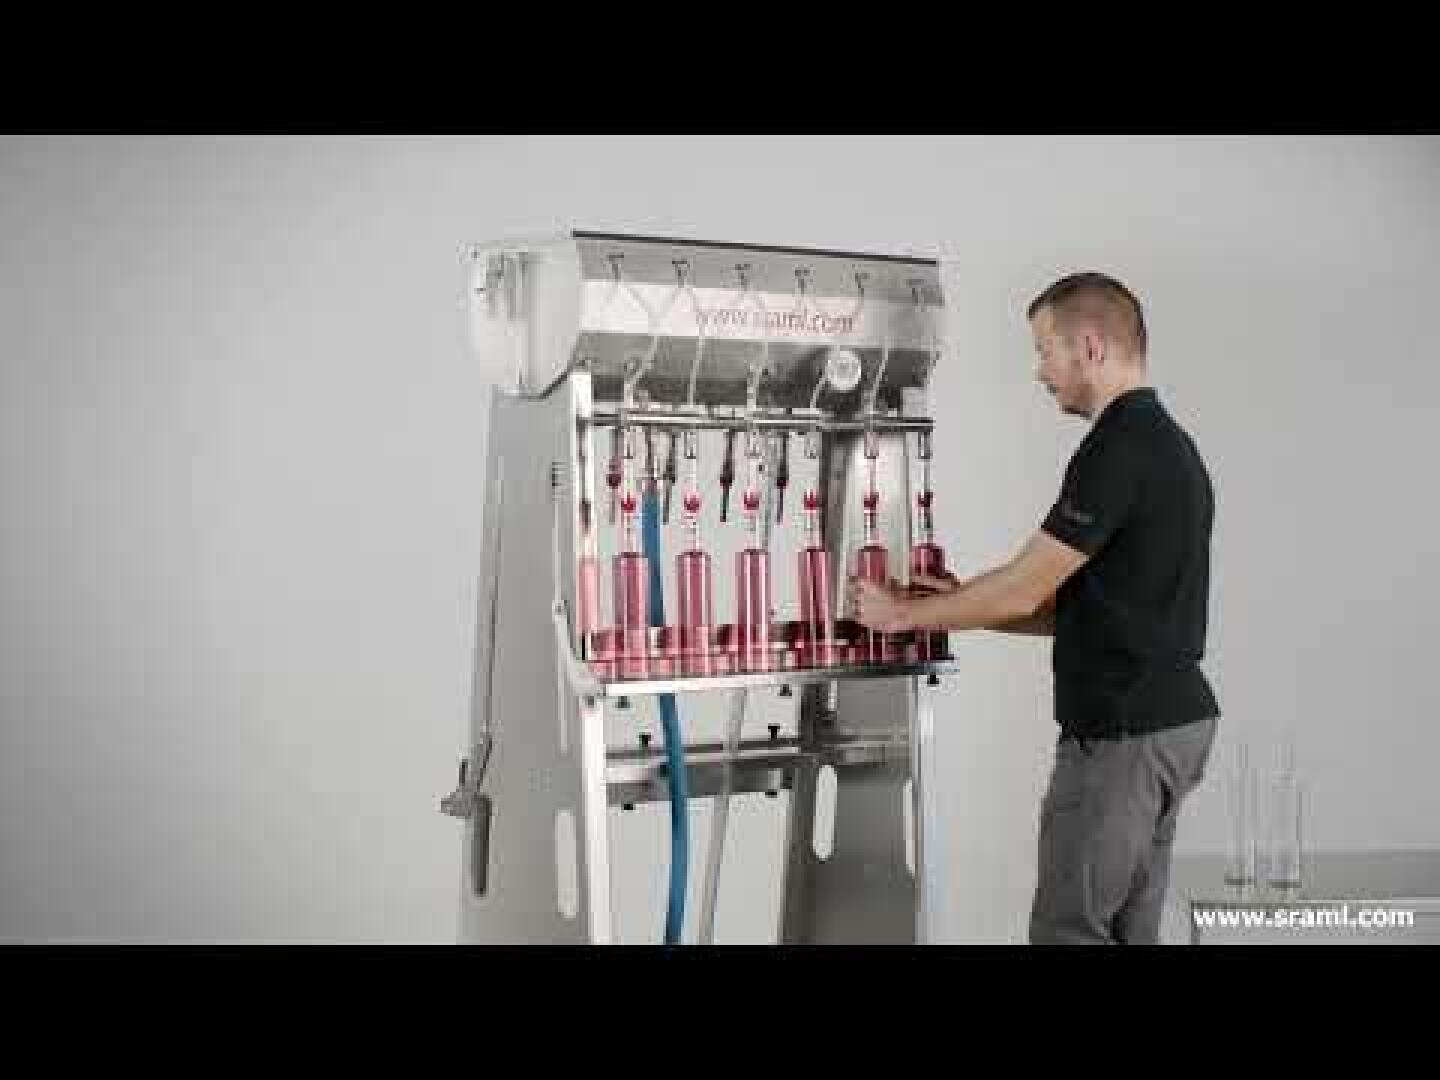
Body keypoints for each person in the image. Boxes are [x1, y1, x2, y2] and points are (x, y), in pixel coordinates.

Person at [849, 272, 1219, 945]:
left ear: (1090, 346)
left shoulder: (1119, 447)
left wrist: (900, 617)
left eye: (1046, 350)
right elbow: (1072, 608)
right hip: (1170, 725)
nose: (1039, 371)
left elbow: (1025, 584)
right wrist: (959, 604)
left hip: (1122, 736)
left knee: (1068, 932)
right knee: (1130, 933)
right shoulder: (1169, 444)